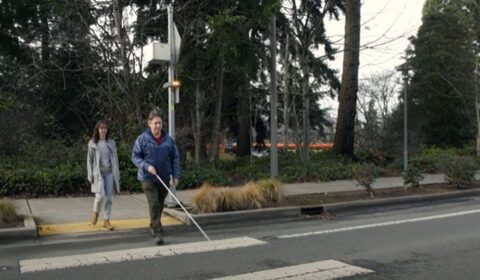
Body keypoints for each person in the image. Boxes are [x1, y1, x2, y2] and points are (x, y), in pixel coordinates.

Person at [132, 110, 180, 245]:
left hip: (164, 177)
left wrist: (175, 175)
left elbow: (175, 157)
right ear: (149, 123)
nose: (158, 125)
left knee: (159, 205)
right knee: (153, 204)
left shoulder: (168, 140)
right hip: (148, 178)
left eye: (160, 123)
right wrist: (146, 166)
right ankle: (158, 232)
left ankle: (153, 224)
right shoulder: (142, 139)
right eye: (155, 123)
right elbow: (135, 157)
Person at [87, 120, 120, 231]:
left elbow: (115, 159)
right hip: (98, 174)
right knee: (100, 196)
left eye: (105, 128)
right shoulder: (92, 143)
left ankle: (106, 220)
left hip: (110, 173)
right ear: (97, 130)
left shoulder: (111, 143)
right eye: (101, 128)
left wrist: (117, 175)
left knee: (109, 198)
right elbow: (90, 161)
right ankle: (95, 213)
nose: (103, 130)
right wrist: (90, 174)